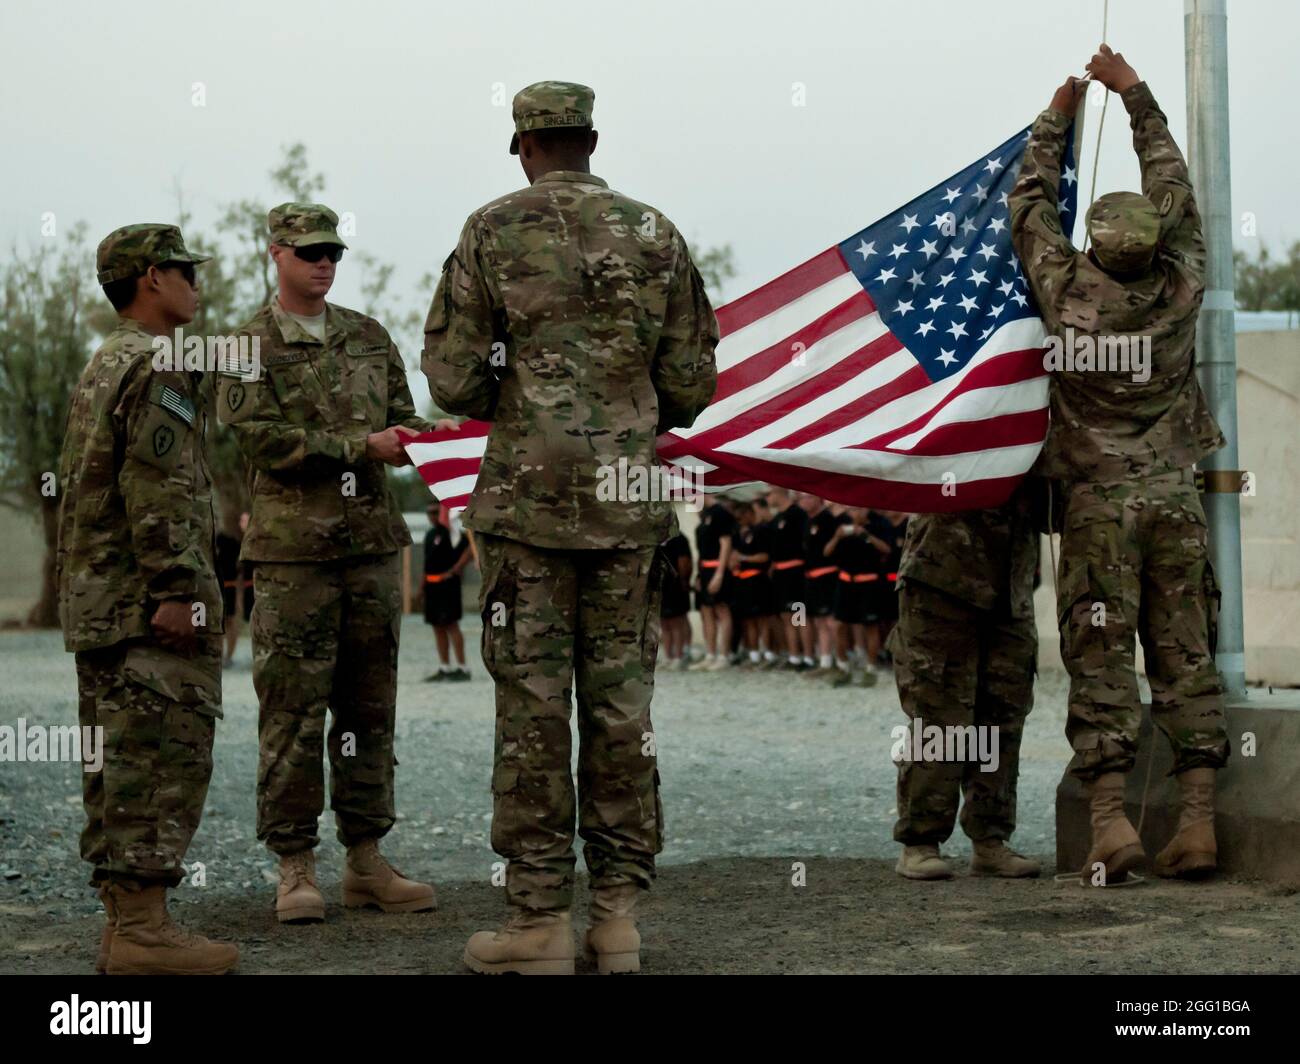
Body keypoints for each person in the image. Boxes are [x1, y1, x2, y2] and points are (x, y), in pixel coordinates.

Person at [422, 80, 718, 974]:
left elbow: (453, 380)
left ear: (523, 146)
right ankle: (619, 918)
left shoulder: (490, 231)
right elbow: (693, 386)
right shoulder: (655, 233)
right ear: (592, 140)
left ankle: (539, 920)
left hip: (527, 510)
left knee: (533, 715)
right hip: (628, 512)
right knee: (625, 711)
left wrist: (528, 387)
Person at [1010, 45, 1228, 883]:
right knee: (1185, 652)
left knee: (1100, 655)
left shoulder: (1066, 290)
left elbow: (1029, 203)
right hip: (1174, 498)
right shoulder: (1181, 285)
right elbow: (1176, 190)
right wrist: (1134, 95)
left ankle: (1110, 823)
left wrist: (1058, 116)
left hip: (1099, 507)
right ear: (1158, 241)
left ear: (1096, 242)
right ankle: (1199, 823)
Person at [218, 202, 438, 923]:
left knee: (369, 710)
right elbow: (260, 440)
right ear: (275, 252)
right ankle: (294, 865)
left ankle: (366, 860)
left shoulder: (368, 337)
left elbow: (403, 419)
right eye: (310, 250)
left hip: (371, 548)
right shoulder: (245, 345)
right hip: (294, 556)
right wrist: (357, 449)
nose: (324, 262)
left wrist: (439, 437)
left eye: (333, 251)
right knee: (291, 711)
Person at [57, 223, 238, 975]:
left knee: (117, 760)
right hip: (145, 606)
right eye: (183, 269)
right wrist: (177, 590)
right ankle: (143, 933)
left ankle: (123, 927)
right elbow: (156, 485)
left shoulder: (108, 361)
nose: (196, 280)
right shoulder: (161, 363)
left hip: (105, 605)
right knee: (158, 757)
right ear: (151, 279)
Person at [889, 489, 1042, 881]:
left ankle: (990, 839)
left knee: (1000, 718)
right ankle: (920, 841)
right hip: (941, 577)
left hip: (1010, 586)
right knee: (941, 716)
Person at [825, 507, 879, 687]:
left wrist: (865, 535)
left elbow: (886, 549)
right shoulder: (842, 528)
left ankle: (870, 669)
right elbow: (826, 552)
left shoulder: (878, 525)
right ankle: (843, 667)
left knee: (870, 626)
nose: (855, 513)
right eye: (853, 510)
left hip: (868, 582)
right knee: (839, 625)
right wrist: (837, 537)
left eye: (859, 510)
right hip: (846, 582)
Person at [423, 498, 473, 682]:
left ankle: (462, 667)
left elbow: (470, 549)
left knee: (452, 625)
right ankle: (444, 666)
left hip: (448, 586)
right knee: (437, 626)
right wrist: (422, 587)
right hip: (432, 586)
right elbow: (427, 563)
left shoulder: (452, 533)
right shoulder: (430, 535)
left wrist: (456, 569)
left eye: (437, 512)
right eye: (430, 512)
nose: (433, 516)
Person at [766, 486, 811, 670]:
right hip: (780, 574)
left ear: (779, 492)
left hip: (795, 573)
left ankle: (807, 657)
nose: (768, 498)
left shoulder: (798, 515)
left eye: (769, 493)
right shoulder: (775, 519)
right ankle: (794, 656)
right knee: (785, 616)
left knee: (798, 616)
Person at [692, 497, 736, 671]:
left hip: (717, 568)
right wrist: (699, 575)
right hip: (704, 569)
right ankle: (710, 654)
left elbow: (726, 544)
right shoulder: (705, 515)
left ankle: (724, 656)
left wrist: (719, 573)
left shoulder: (720, 512)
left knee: (722, 610)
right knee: (706, 611)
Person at [728, 500, 773, 668]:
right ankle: (753, 655)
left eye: (740, 518)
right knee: (748, 620)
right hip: (742, 581)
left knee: (763, 619)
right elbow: (735, 556)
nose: (739, 522)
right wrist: (733, 561)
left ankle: (768, 653)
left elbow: (765, 556)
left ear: (748, 514)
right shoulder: (740, 534)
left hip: (758, 580)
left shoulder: (761, 531)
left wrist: (743, 558)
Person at [800, 494, 840, 677]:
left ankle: (839, 661)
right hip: (811, 577)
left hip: (827, 576)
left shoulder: (827, 519)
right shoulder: (808, 521)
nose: (804, 502)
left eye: (808, 497)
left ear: (818, 498)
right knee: (817, 620)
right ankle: (824, 661)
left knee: (830, 620)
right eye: (802, 498)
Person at [659, 531, 694, 670]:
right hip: (660, 585)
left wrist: (683, 581)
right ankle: (668, 656)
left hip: (675, 585)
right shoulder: (657, 537)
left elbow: (684, 562)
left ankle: (679, 656)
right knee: (664, 623)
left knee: (676, 622)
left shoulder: (678, 538)